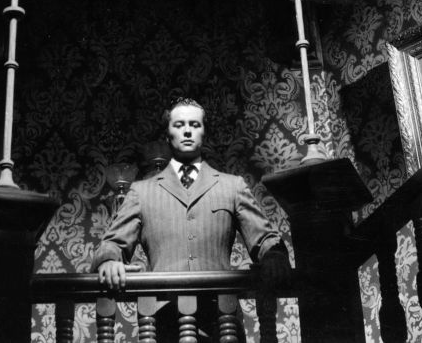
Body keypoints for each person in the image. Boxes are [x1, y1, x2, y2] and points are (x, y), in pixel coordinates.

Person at [92, 98, 291, 339]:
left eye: (194, 125)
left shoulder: (232, 186)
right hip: (164, 324)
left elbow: (266, 237)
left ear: (204, 132)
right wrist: (109, 260)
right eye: (179, 125)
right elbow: (112, 243)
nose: (187, 131)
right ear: (167, 134)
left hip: (222, 320)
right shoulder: (141, 192)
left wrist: (274, 256)